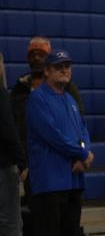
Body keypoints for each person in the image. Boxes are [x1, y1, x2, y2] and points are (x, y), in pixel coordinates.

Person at [25, 50, 93, 236]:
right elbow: (52, 135)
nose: (64, 70)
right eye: (58, 66)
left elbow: (82, 130)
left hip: (73, 176)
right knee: (48, 232)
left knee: (69, 230)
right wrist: (80, 154)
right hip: (50, 177)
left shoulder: (70, 100)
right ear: (47, 71)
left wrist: (84, 153)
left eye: (67, 66)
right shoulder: (38, 99)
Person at [11, 37, 84, 169]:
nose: (36, 58)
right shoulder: (19, 88)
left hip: (62, 156)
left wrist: (81, 154)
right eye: (32, 55)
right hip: (28, 156)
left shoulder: (67, 89)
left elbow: (79, 124)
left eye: (41, 54)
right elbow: (14, 125)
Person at [0, 56, 32, 236]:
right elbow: (8, 129)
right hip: (3, 163)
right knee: (10, 217)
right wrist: (22, 160)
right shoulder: (1, 94)